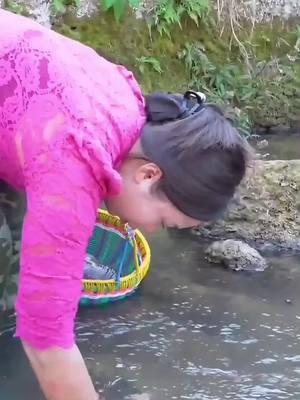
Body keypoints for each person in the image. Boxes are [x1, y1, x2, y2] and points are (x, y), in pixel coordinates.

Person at [0, 9, 252, 400]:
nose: (152, 231)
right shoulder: (76, 163)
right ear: (149, 175)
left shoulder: (127, 105)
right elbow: (46, 335)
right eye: (166, 222)